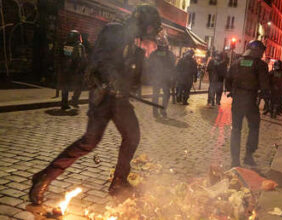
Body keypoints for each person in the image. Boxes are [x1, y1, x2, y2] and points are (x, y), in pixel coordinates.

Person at [29, 4, 162, 205]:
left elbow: (136, 77)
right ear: (143, 24)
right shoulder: (113, 31)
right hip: (102, 96)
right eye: (151, 28)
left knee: (132, 135)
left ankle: (119, 181)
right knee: (89, 142)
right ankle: (43, 177)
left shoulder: (138, 43)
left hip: (119, 99)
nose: (152, 33)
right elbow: (100, 60)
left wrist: (146, 55)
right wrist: (112, 80)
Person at [225, 40, 269, 167]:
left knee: (236, 129)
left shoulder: (236, 62)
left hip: (237, 100)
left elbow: (228, 81)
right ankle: (248, 156)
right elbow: (264, 85)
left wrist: (233, 91)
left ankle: (235, 160)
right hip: (250, 100)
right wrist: (265, 97)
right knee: (254, 127)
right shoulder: (260, 65)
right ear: (259, 51)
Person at [147, 34, 176, 118]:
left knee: (156, 95)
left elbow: (149, 66)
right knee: (165, 94)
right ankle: (162, 111)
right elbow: (173, 66)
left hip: (158, 78)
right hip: (165, 79)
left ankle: (156, 112)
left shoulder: (154, 54)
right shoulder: (170, 54)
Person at [58, 30, 86, 110]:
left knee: (65, 86)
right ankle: (74, 100)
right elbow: (81, 58)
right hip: (75, 69)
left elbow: (61, 55)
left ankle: (64, 103)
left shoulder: (65, 44)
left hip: (65, 69)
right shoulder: (79, 45)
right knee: (80, 85)